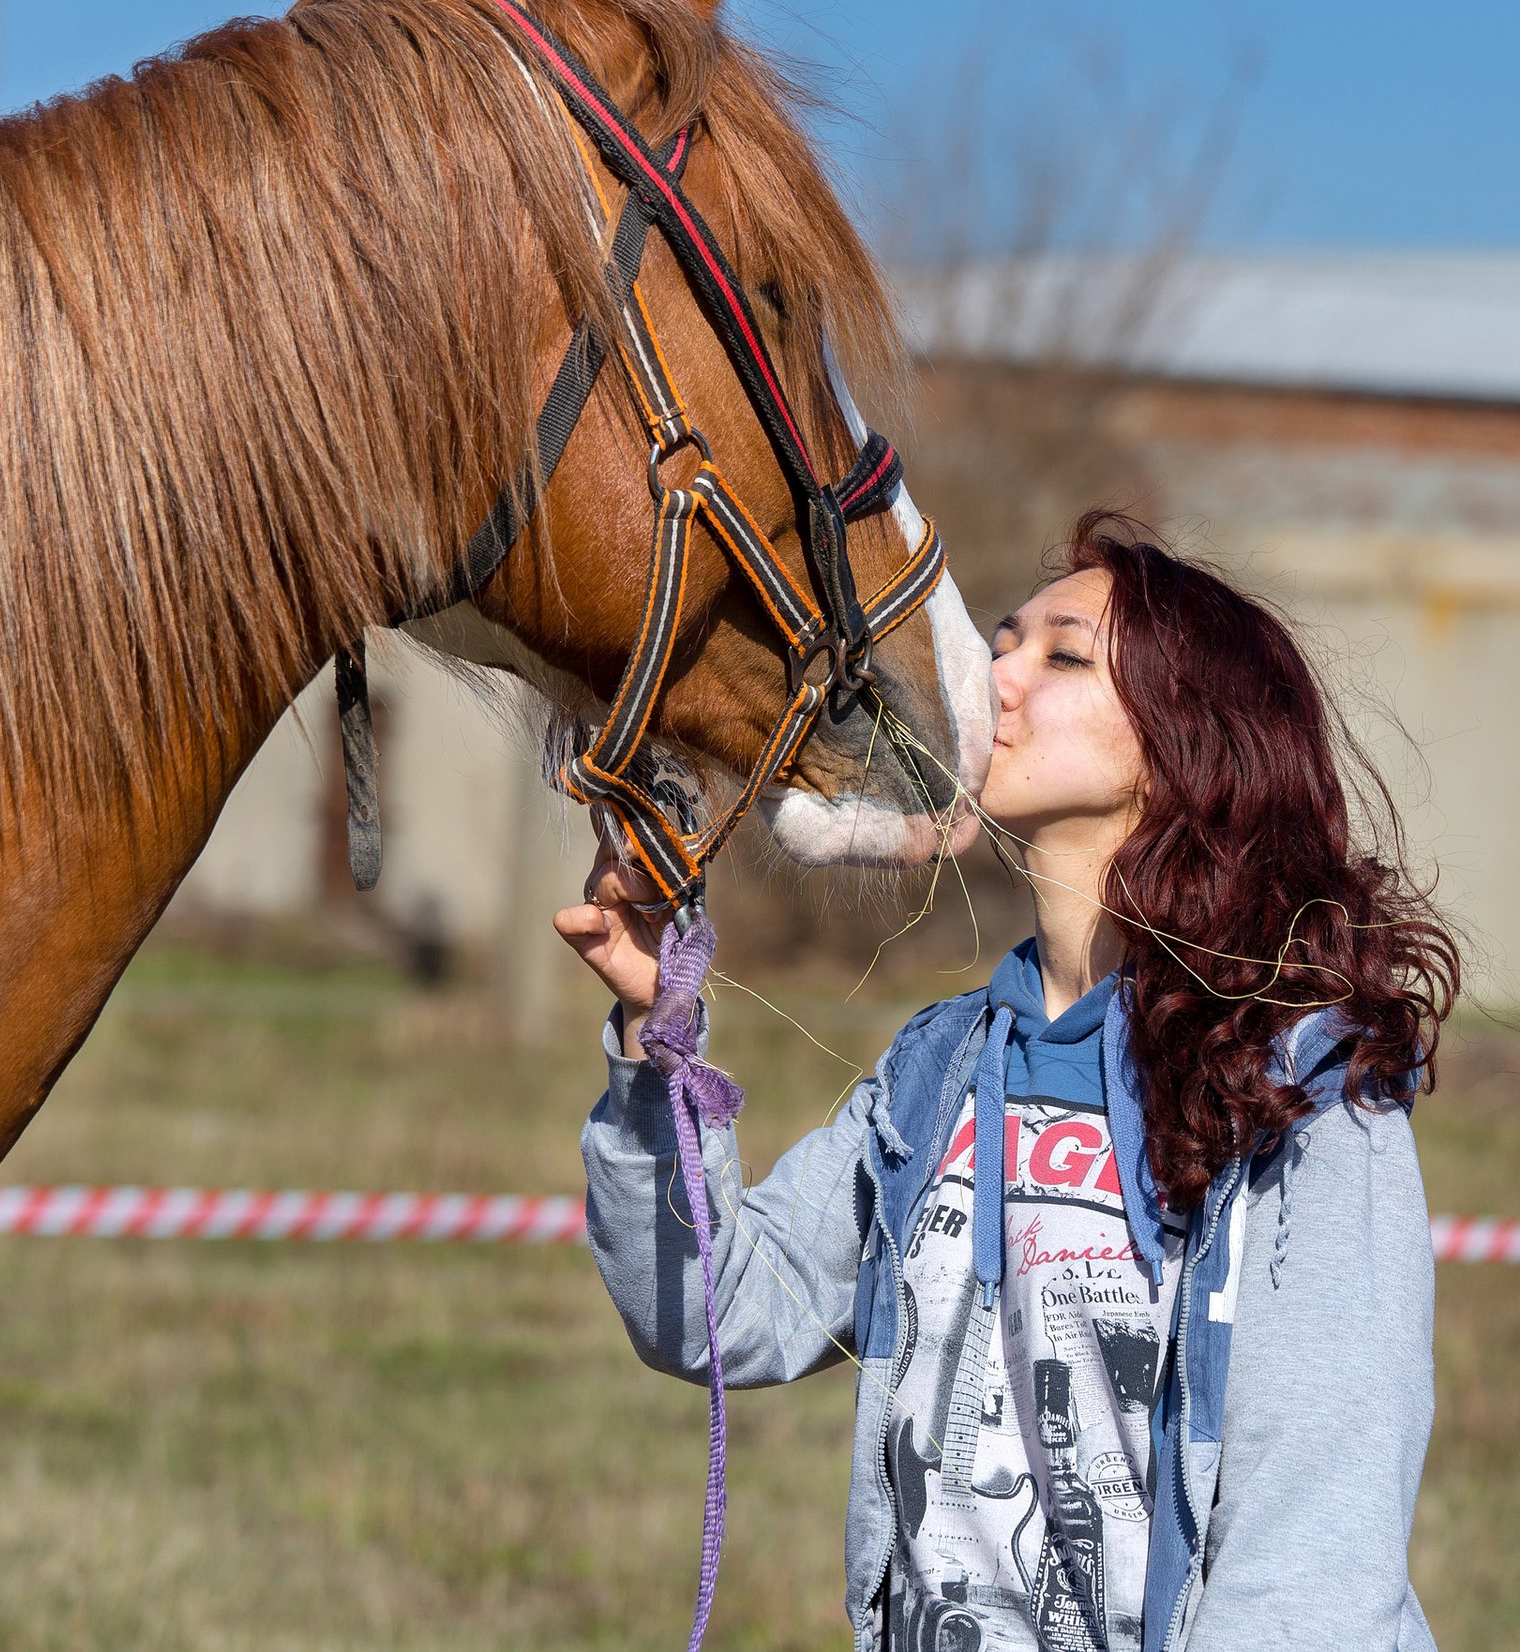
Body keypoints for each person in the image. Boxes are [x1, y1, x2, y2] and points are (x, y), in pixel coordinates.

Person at [556, 512, 1458, 1652]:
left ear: (1186, 747)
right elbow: (721, 1316)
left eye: (1062, 654)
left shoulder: (1302, 1093)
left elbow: (1311, 1562)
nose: (997, 676)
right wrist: (653, 1028)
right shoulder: (943, 1068)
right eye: (1002, 639)